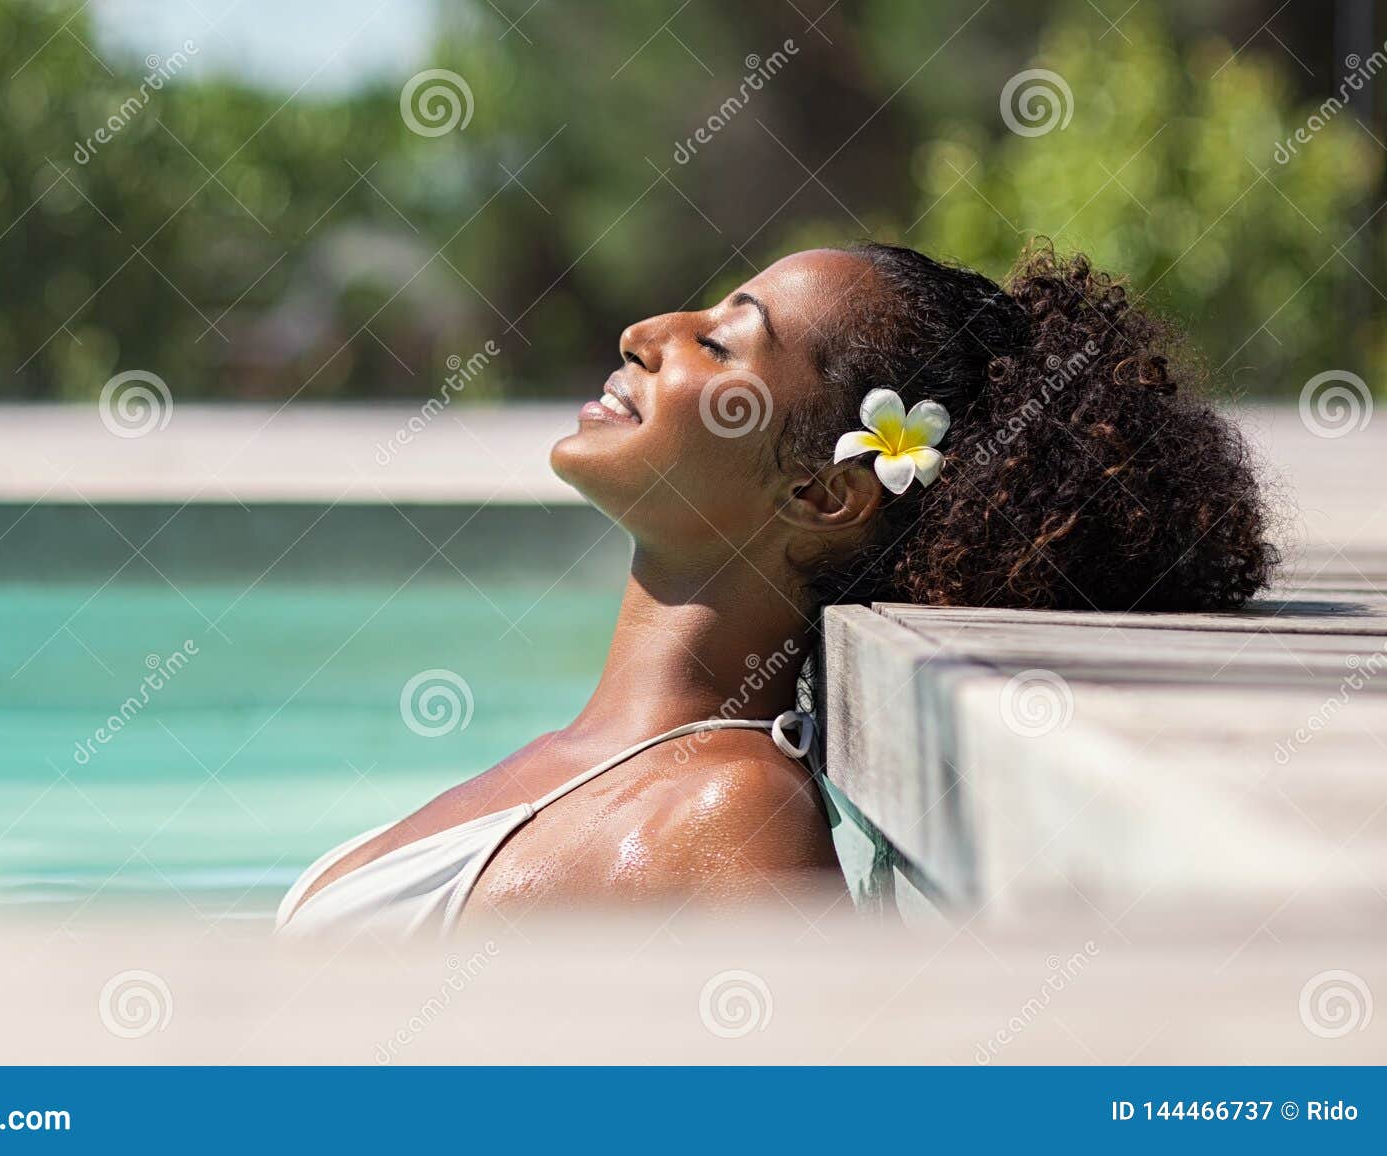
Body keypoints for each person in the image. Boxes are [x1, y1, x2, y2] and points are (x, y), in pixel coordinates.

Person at [276, 241, 1276, 940]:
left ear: (822, 493)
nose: (642, 331)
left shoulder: (730, 814)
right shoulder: (583, 759)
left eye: (718, 344)